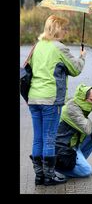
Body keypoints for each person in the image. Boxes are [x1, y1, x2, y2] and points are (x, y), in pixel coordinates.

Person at [28, 15, 86, 186]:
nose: (66, 31)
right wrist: (82, 56)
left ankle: (39, 176)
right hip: (50, 99)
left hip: (34, 98)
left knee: (38, 138)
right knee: (49, 138)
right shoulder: (59, 47)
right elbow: (75, 69)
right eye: (64, 28)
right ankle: (49, 175)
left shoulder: (38, 45)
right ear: (57, 28)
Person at [55, 83, 92, 178]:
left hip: (74, 144)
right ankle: (56, 165)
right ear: (83, 99)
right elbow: (87, 129)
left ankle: (72, 164)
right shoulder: (71, 109)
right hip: (62, 147)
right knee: (86, 171)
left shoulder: (85, 107)